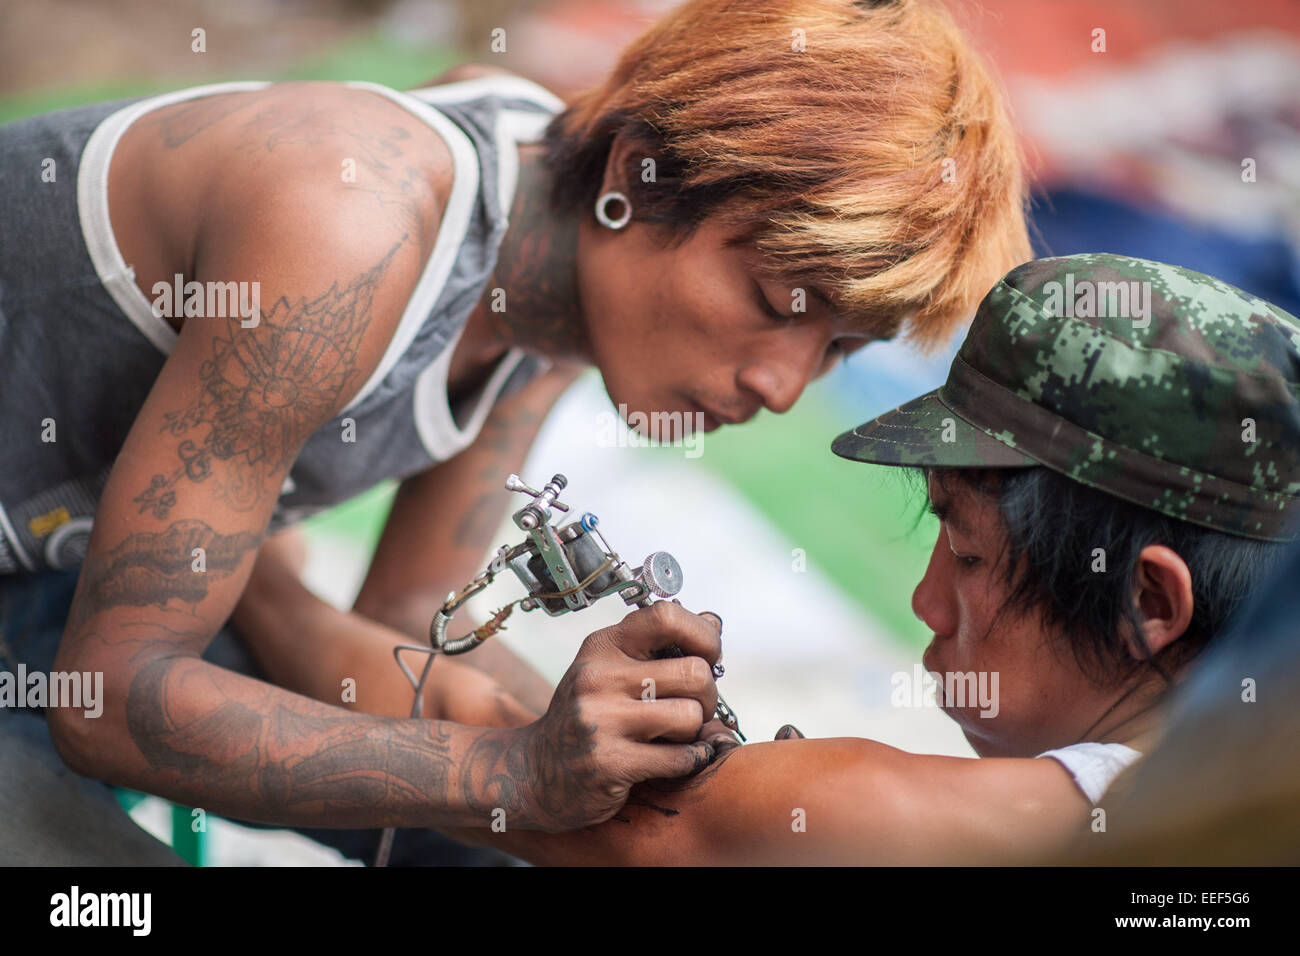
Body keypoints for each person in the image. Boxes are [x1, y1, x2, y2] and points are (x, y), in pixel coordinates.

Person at [0, 0, 1029, 863]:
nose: (780, 384)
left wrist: (633, 751)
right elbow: (116, 701)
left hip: (76, 589)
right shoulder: (350, 218)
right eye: (775, 300)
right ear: (636, 178)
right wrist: (516, 769)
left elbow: (405, 616)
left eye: (840, 349)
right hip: (98, 644)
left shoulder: (558, 252)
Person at [256, 253, 1298, 864]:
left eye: (970, 554)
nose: (926, 599)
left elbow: (506, 757)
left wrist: (245, 565)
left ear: (1147, 602)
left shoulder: (948, 821)